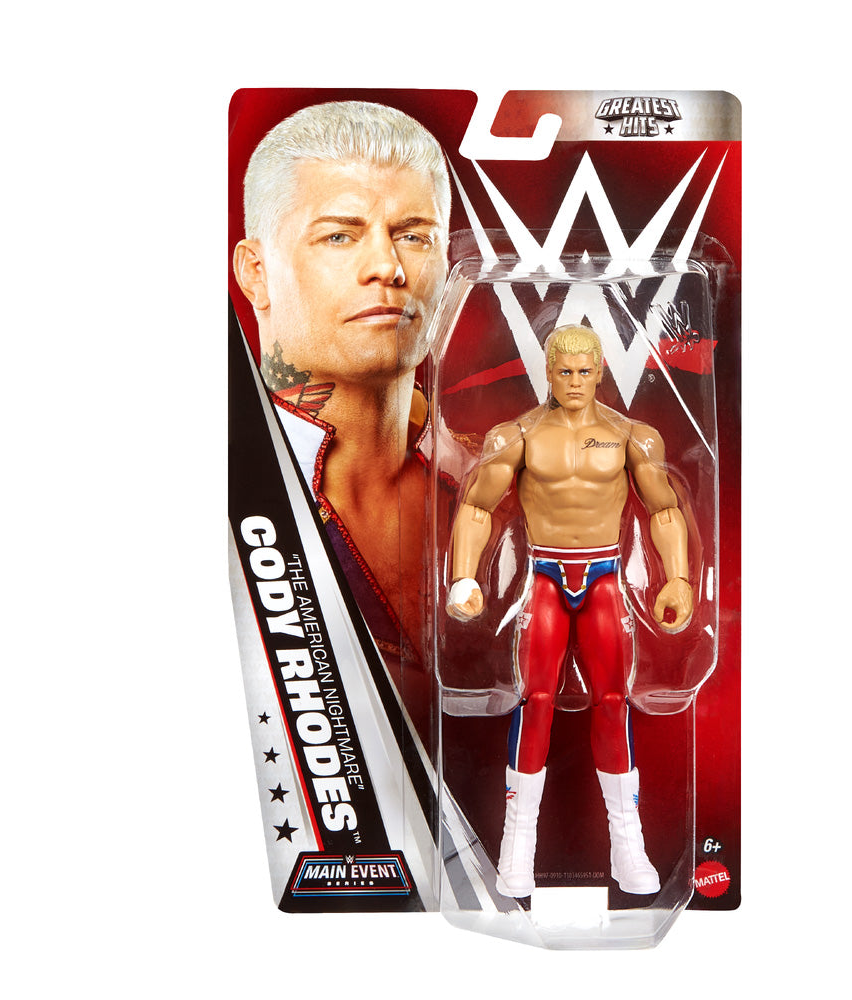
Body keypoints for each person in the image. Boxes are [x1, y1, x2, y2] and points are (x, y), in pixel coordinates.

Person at [446, 324, 693, 897]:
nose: (576, 382)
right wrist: (464, 576)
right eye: (565, 372)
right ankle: (516, 848)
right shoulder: (517, 436)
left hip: (605, 577)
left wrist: (678, 578)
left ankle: (628, 845)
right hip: (545, 578)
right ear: (549, 374)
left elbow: (664, 510)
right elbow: (477, 507)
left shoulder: (633, 437)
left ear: (601, 371)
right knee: (534, 700)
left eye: (585, 371)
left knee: (613, 700)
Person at [233, 101, 450, 675]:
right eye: (339, 236)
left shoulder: (502, 482)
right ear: (256, 272)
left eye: (414, 236)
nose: (386, 267)